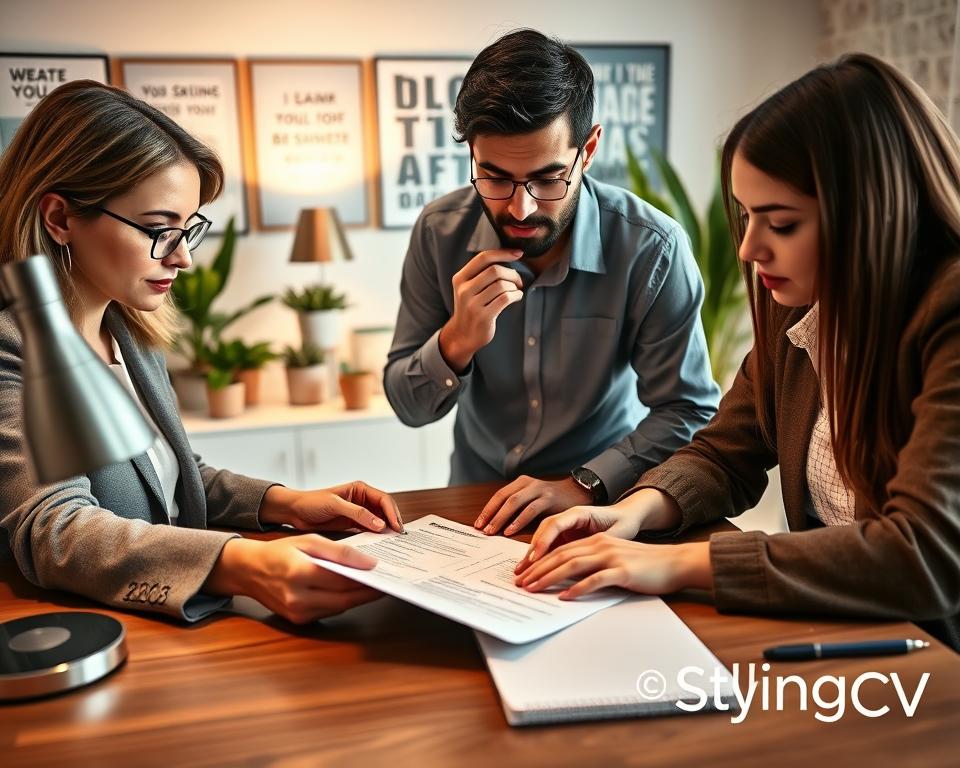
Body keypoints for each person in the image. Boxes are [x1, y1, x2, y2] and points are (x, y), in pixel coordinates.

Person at [514, 53, 960, 651]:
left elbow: (923, 554)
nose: (749, 249)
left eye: (782, 224)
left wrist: (677, 565)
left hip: (931, 658)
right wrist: (635, 512)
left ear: (871, 212)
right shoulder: (800, 306)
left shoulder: (948, 316)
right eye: (747, 216)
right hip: (837, 630)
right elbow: (726, 453)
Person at [0, 80, 401, 625]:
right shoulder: (14, 346)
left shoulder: (129, 331)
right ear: (60, 219)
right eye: (158, 229)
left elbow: (170, 481)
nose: (183, 258)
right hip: (102, 633)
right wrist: (244, 564)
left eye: (187, 230)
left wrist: (287, 503)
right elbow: (58, 530)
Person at [384, 29, 720, 536]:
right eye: (495, 177)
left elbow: (687, 410)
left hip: (600, 506)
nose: (521, 208)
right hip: (475, 508)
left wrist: (585, 484)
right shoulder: (438, 232)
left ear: (589, 149)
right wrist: (456, 342)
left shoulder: (652, 248)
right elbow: (407, 407)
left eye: (547, 179)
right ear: (472, 153)